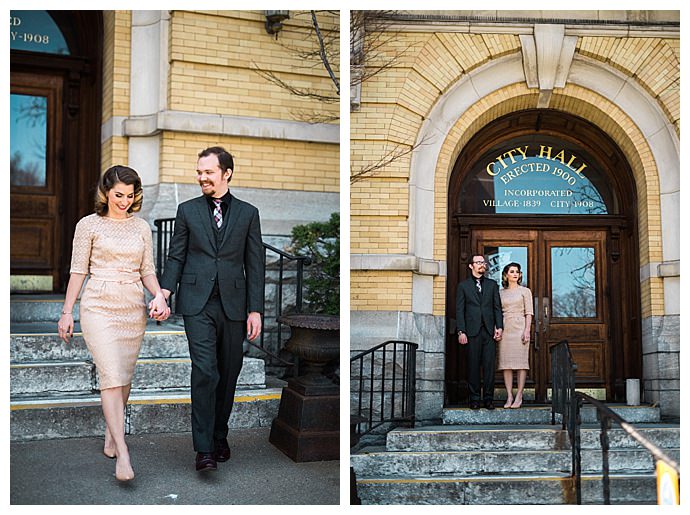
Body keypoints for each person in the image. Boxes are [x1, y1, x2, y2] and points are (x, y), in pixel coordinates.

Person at [57, 166, 170, 481]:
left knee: (123, 377)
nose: (124, 201)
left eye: (129, 196)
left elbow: (147, 269)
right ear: (105, 192)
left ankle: (111, 433)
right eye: (118, 195)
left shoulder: (141, 228)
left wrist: (159, 296)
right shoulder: (88, 225)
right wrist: (67, 311)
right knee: (110, 375)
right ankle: (123, 451)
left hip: (132, 306)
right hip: (98, 304)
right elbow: (78, 270)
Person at [159, 146, 265, 472]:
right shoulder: (187, 210)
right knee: (205, 371)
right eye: (199, 172)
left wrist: (255, 309)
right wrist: (164, 292)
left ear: (226, 173)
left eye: (208, 172)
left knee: (228, 374)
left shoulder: (248, 213)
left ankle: (220, 434)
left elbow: (255, 263)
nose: (201, 177)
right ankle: (203, 448)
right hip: (197, 303)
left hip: (234, 306)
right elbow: (176, 255)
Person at [456, 255, 504, 410]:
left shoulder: (492, 285)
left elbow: (497, 307)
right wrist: (461, 331)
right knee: (473, 366)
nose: (482, 265)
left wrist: (499, 326)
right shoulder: (463, 286)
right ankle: (474, 399)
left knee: (490, 367)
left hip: (489, 331)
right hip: (471, 331)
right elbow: (460, 310)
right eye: (478, 263)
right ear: (471, 266)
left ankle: (489, 399)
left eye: (483, 262)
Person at [498, 262, 534, 409]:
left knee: (520, 364)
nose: (514, 274)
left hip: (520, 327)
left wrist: (527, 330)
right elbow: (497, 312)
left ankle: (519, 395)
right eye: (511, 271)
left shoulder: (525, 291)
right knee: (506, 364)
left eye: (517, 272)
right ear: (506, 275)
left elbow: (529, 312)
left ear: (520, 275)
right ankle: (509, 395)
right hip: (505, 327)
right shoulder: (500, 293)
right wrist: (497, 328)